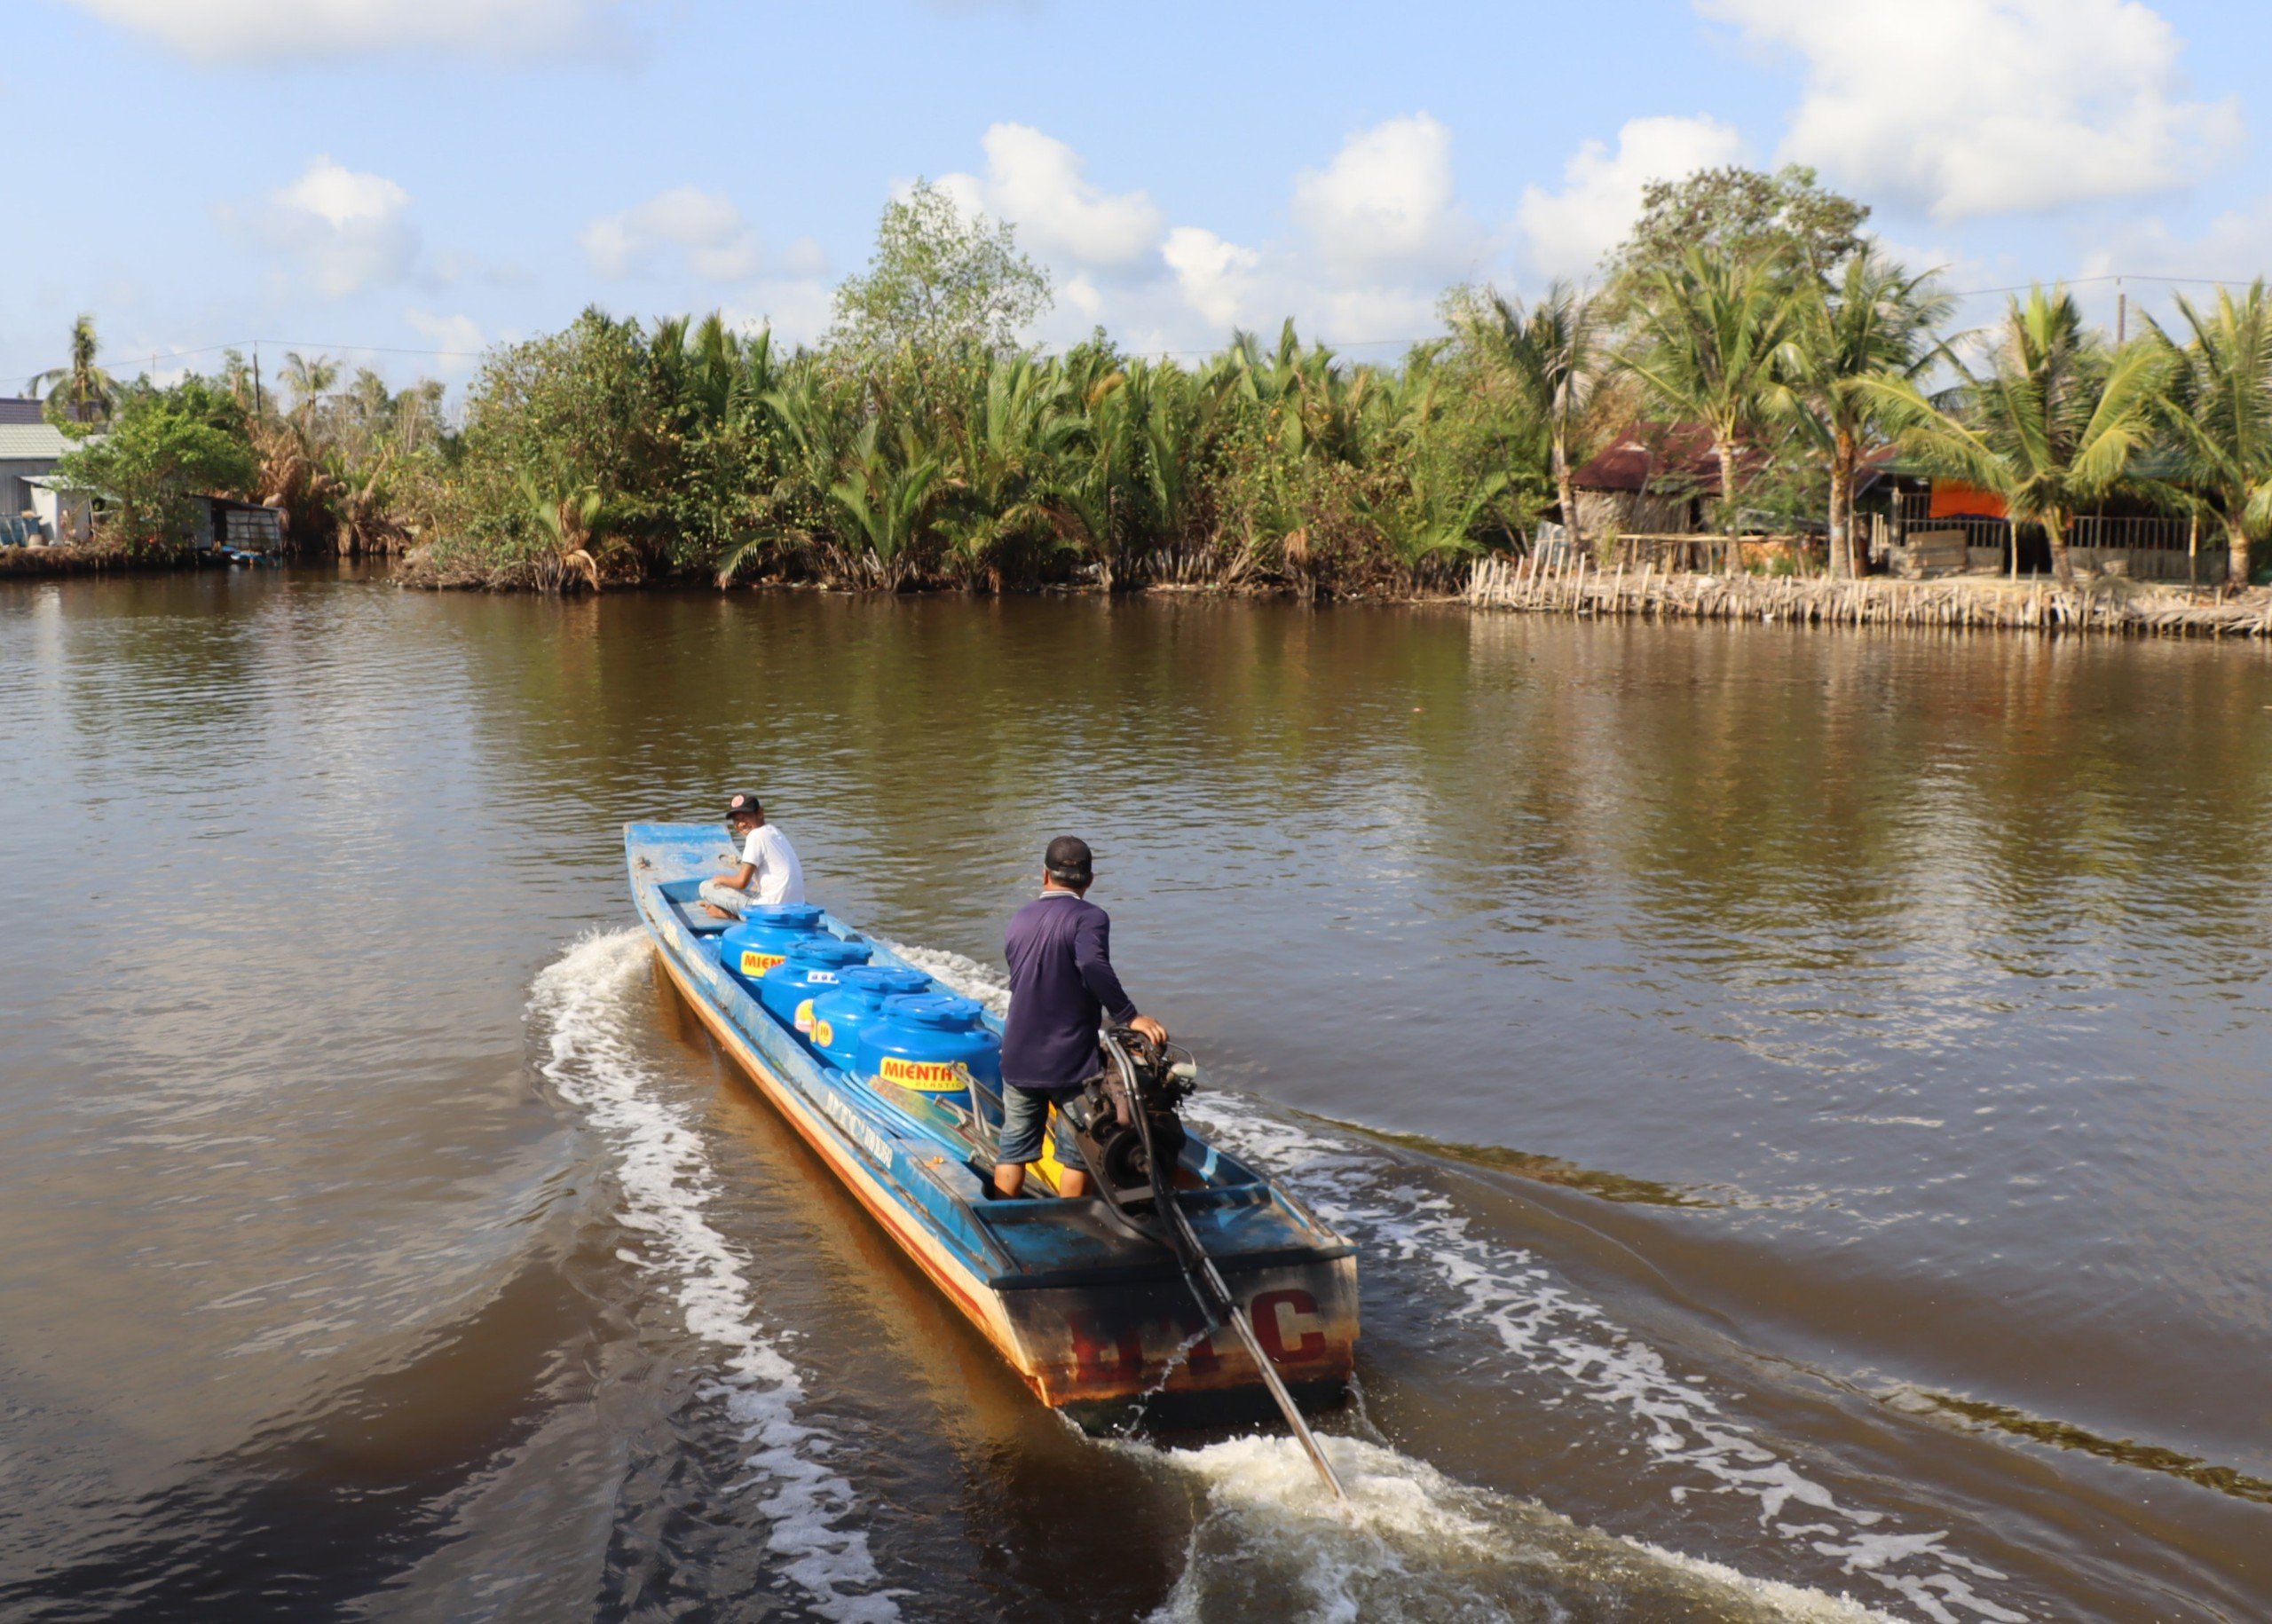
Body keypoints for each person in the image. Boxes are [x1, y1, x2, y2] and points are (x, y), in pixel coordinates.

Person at [994, 835, 1168, 1200]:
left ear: (1045, 875)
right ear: (1089, 880)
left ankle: (1004, 1219)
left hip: (1018, 1055)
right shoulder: (1090, 917)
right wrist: (1128, 1015)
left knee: (1012, 1149)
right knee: (1076, 1156)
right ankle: (1071, 1230)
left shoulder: (1020, 917)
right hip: (1070, 1062)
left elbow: (1019, 972)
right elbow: (1091, 963)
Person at [700, 792, 805, 918]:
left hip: (770, 912)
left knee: (706, 887)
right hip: (797, 907)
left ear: (760, 813)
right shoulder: (773, 831)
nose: (741, 824)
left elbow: (741, 882)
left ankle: (733, 914)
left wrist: (719, 879)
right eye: (737, 820)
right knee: (751, 890)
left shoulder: (755, 836)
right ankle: (734, 909)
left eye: (745, 818)